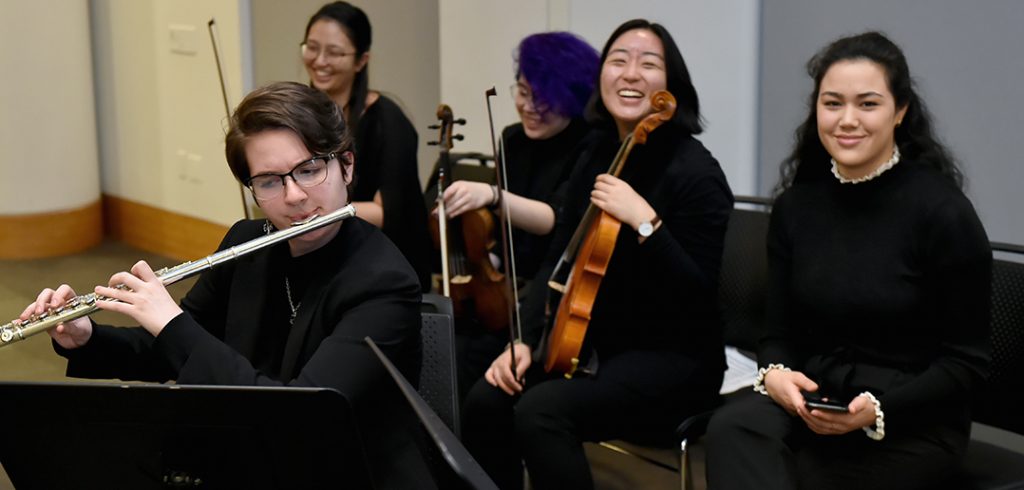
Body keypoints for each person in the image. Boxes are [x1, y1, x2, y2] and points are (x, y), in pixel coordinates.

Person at [22, 82, 431, 489]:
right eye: (269, 181)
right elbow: (176, 350)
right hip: (251, 459)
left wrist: (172, 324)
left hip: (342, 470)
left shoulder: (384, 283)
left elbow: (301, 416)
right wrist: (87, 337)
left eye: (309, 170)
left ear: (347, 166)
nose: (294, 196)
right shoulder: (246, 244)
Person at [705, 32, 991, 490]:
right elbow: (777, 332)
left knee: (813, 476)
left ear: (900, 112)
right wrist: (775, 373)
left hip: (909, 418)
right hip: (819, 400)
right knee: (732, 429)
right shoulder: (797, 207)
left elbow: (966, 365)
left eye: (868, 104)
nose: (847, 120)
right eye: (832, 103)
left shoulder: (942, 211)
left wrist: (877, 409)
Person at [460, 19, 733, 489]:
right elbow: (555, 262)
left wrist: (646, 222)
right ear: (601, 75)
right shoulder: (596, 153)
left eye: (648, 64)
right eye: (618, 60)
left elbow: (700, 297)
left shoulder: (696, 172)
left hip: (673, 358)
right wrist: (524, 339)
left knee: (540, 412)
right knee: (487, 399)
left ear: (672, 86)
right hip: (592, 344)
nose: (630, 73)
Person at [437, 31, 599, 397]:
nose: (529, 107)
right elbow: (498, 229)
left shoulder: (588, 145)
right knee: (445, 345)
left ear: (571, 98)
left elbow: (554, 219)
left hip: (551, 295)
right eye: (523, 92)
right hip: (505, 289)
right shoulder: (511, 139)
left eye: (544, 99)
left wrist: (493, 195)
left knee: (476, 373)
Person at [302, 1, 432, 291]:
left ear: (361, 60)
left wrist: (313, 214)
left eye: (334, 52)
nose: (319, 60)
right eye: (311, 47)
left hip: (377, 263)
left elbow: (387, 213)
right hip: (318, 248)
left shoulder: (388, 120)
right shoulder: (300, 116)